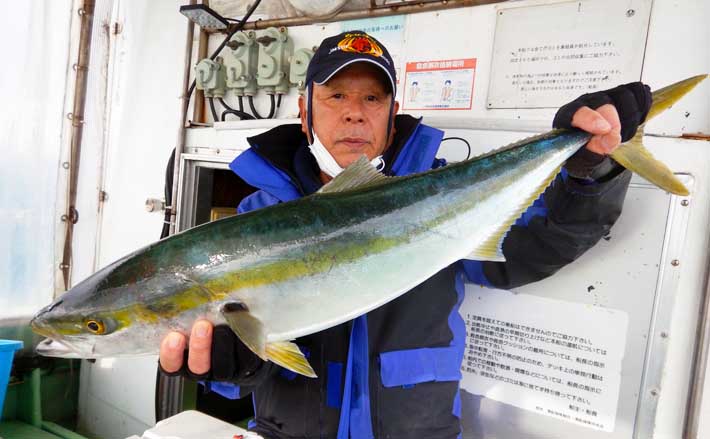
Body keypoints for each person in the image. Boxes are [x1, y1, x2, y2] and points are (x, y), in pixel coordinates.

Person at [159, 31, 651, 439]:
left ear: (391, 118)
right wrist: (230, 368)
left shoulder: (443, 198)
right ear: (306, 113)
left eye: (372, 98)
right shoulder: (257, 217)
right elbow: (239, 370)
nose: (355, 113)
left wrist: (589, 168)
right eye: (336, 97)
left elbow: (539, 244)